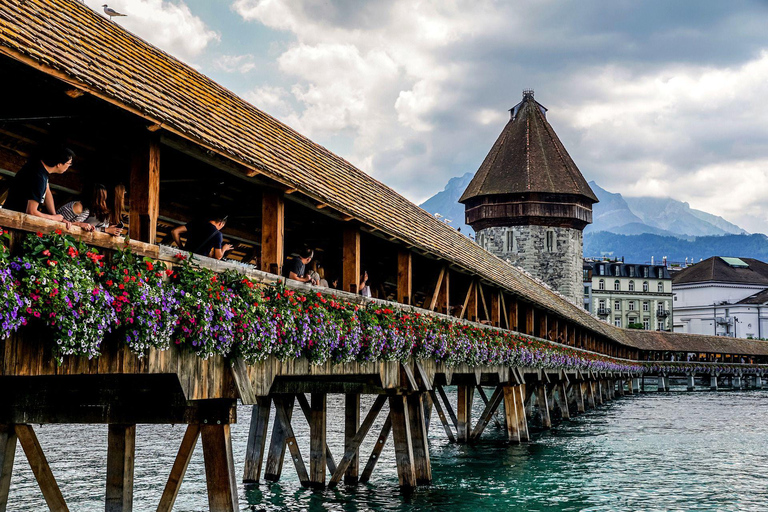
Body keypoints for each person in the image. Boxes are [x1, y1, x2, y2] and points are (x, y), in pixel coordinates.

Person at [3, 145, 75, 227]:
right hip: (13, 221)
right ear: (58, 164)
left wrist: (57, 216)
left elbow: (47, 192)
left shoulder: (39, 168)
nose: (68, 167)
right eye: (69, 163)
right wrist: (53, 218)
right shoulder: (38, 177)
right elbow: (31, 211)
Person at [57, 183, 122, 235]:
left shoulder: (87, 210)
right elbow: (58, 222)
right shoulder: (77, 207)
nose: (103, 203)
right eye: (101, 200)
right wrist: (79, 224)